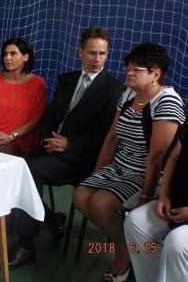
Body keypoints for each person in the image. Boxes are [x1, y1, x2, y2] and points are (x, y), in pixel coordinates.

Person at [0, 26, 123, 270]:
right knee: (15, 166)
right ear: (80, 52)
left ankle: (26, 245)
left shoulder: (114, 89)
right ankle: (50, 217)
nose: (97, 59)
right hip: (51, 147)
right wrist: (48, 140)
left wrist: (69, 144)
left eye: (102, 53)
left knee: (31, 172)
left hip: (81, 158)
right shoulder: (67, 79)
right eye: (92, 52)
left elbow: (105, 136)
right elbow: (50, 114)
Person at [73, 42, 185, 282]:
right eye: (128, 68)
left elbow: (157, 158)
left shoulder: (167, 101)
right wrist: (97, 174)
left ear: (156, 74)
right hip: (120, 167)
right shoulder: (128, 94)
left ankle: (124, 255)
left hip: (146, 175)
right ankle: (128, 247)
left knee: (101, 203)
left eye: (137, 70)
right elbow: (112, 137)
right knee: (81, 195)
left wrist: (145, 196)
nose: (129, 73)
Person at [124, 121, 188, 282]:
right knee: (135, 221)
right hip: (176, 203)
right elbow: (175, 156)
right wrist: (164, 195)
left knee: (177, 243)